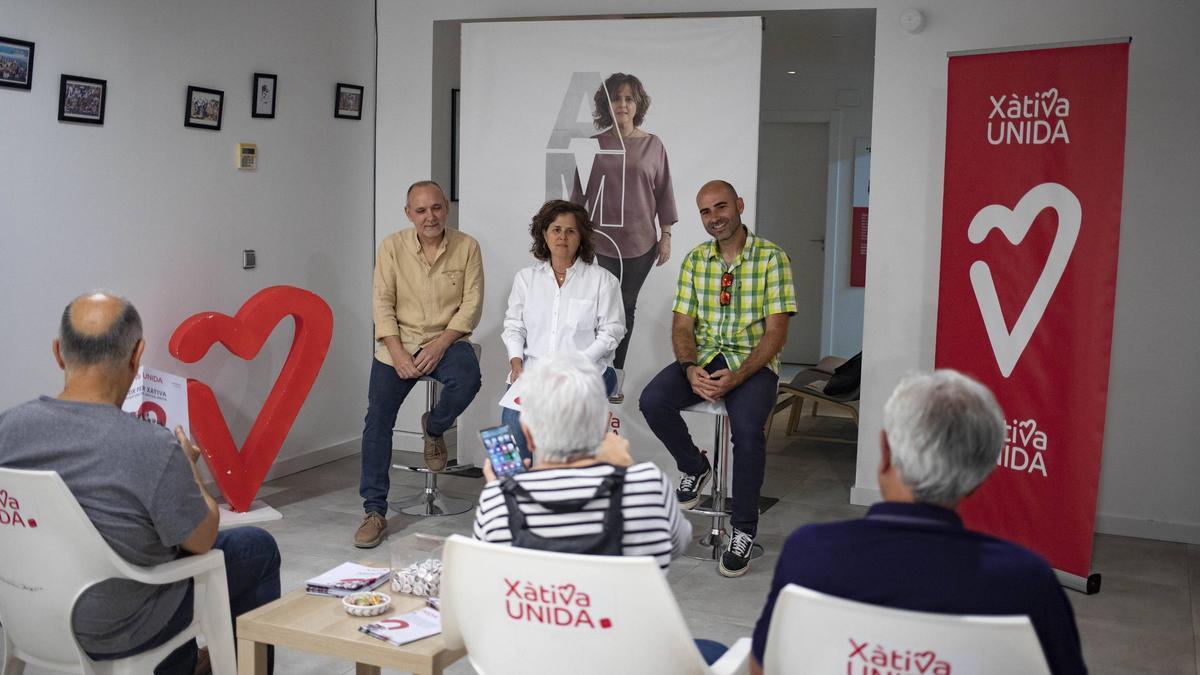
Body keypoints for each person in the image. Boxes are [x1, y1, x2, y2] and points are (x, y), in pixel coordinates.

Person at [0, 291, 281, 675]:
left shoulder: (8, 429)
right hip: (118, 626)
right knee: (254, 548)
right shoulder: (151, 446)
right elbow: (201, 540)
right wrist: (189, 469)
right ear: (137, 355)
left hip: (24, 614)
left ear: (58, 353)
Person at [749, 370, 1087, 675]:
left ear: (885, 453)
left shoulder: (810, 552)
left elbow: (763, 666)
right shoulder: (1027, 581)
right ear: (980, 475)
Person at [639, 180, 796, 578]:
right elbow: (682, 325)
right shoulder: (695, 260)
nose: (714, 217)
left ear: (739, 205)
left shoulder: (772, 258)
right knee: (653, 400)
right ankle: (695, 466)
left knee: (747, 432)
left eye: (721, 207)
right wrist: (690, 367)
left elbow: (776, 333)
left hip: (754, 363)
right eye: (705, 212)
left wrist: (738, 375)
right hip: (706, 357)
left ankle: (743, 530)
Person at [474, 350, 690, 571]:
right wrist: (626, 471)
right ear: (605, 425)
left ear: (528, 435)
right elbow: (676, 546)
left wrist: (501, 492)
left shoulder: (496, 503)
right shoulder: (649, 486)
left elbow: (494, 572)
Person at [357, 180, 483, 548]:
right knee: (377, 422)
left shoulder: (467, 247)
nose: (431, 217)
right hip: (398, 342)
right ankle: (374, 511)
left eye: (437, 208)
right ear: (409, 213)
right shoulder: (391, 246)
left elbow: (471, 305)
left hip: (448, 339)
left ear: (447, 208)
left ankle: (435, 425)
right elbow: (382, 303)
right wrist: (397, 352)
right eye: (421, 210)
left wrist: (441, 344)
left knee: (468, 379)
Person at [571, 73, 678, 399]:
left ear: (638, 104)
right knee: (598, 309)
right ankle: (592, 373)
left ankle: (613, 378)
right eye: (616, 98)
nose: (623, 104)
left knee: (625, 308)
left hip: (641, 244)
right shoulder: (592, 145)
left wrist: (666, 234)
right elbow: (578, 196)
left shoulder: (653, 145)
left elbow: (664, 191)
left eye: (629, 98)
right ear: (607, 104)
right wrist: (573, 239)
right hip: (600, 243)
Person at [500, 199, 625, 460]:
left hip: (587, 372)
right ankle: (510, 484)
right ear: (544, 234)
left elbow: (612, 331)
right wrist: (516, 362)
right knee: (509, 428)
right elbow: (514, 326)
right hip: (535, 372)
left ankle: (562, 482)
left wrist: (575, 365)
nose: (562, 237)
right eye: (556, 229)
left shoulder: (602, 280)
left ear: (581, 237)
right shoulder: (526, 279)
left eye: (571, 231)